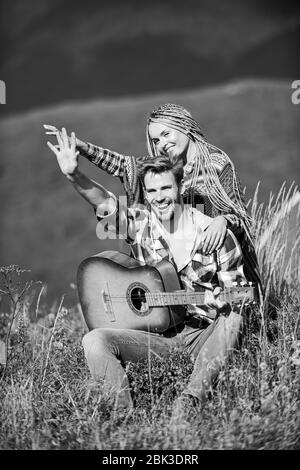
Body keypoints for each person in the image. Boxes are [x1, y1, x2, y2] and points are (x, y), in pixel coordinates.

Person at [47, 128, 250, 419]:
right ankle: (124, 420)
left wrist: (223, 302)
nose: (159, 197)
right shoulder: (140, 226)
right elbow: (103, 201)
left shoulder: (216, 235)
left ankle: (190, 401)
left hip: (206, 337)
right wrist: (73, 175)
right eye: (152, 191)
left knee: (236, 313)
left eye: (166, 188)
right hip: (160, 340)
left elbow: (238, 294)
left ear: (180, 188)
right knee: (94, 340)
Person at [44, 103, 262, 296]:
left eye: (166, 134)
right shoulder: (163, 166)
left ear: (185, 126)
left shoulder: (217, 163)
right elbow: (122, 165)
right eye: (156, 140)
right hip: (179, 260)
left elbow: (240, 215)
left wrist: (222, 221)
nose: (162, 144)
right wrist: (82, 148)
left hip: (216, 257)